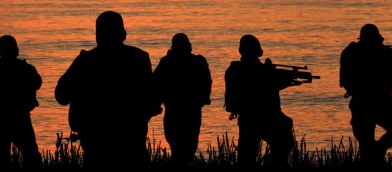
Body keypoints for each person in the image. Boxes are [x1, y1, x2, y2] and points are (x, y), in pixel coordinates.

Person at [55, 11, 160, 170]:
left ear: (97, 35)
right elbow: (152, 96)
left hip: (97, 139)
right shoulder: (139, 58)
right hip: (130, 138)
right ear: (123, 34)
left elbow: (61, 96)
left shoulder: (86, 61)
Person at [339, 24, 392, 163]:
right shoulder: (383, 53)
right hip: (381, 103)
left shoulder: (350, 52)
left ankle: (376, 151)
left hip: (361, 103)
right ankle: (378, 150)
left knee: (366, 145)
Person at [223, 35, 296, 170]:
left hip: (248, 119)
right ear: (258, 51)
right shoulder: (262, 71)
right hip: (266, 119)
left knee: (247, 158)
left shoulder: (234, 71)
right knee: (283, 144)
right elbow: (268, 87)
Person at [0, 35, 43, 170]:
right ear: (16, 50)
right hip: (21, 120)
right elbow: (37, 83)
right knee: (32, 157)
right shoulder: (26, 69)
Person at [153, 33, 212, 166]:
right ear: (189, 46)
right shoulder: (197, 62)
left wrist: (156, 103)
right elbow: (206, 84)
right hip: (187, 111)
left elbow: (155, 85)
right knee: (186, 146)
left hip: (179, 110)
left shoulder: (167, 62)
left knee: (180, 146)